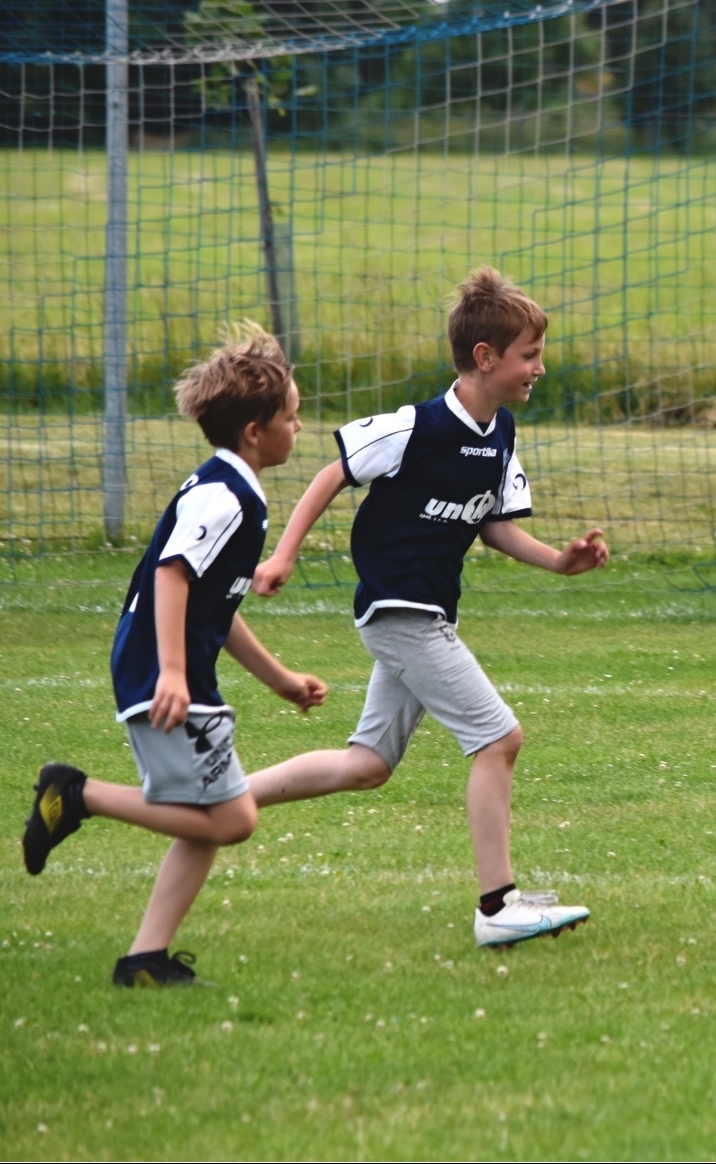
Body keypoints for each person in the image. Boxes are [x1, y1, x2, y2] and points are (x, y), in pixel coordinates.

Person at [247, 268, 609, 949]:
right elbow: (332, 474)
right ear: (485, 357)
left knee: (368, 764)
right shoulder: (416, 426)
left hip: (425, 615)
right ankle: (497, 905)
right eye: (530, 355)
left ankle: (231, 795)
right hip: (400, 611)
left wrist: (559, 562)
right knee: (499, 739)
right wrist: (282, 556)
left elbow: (495, 526)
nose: (540, 367)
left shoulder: (500, 434)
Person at [22, 325, 330, 987]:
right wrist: (170, 671)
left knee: (207, 819)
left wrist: (279, 679)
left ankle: (145, 960)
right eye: (291, 416)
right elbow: (171, 574)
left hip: (173, 668)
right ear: (255, 431)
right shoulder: (224, 496)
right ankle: (76, 795)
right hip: (162, 672)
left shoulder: (237, 490)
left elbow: (216, 609)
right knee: (232, 818)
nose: (299, 426)